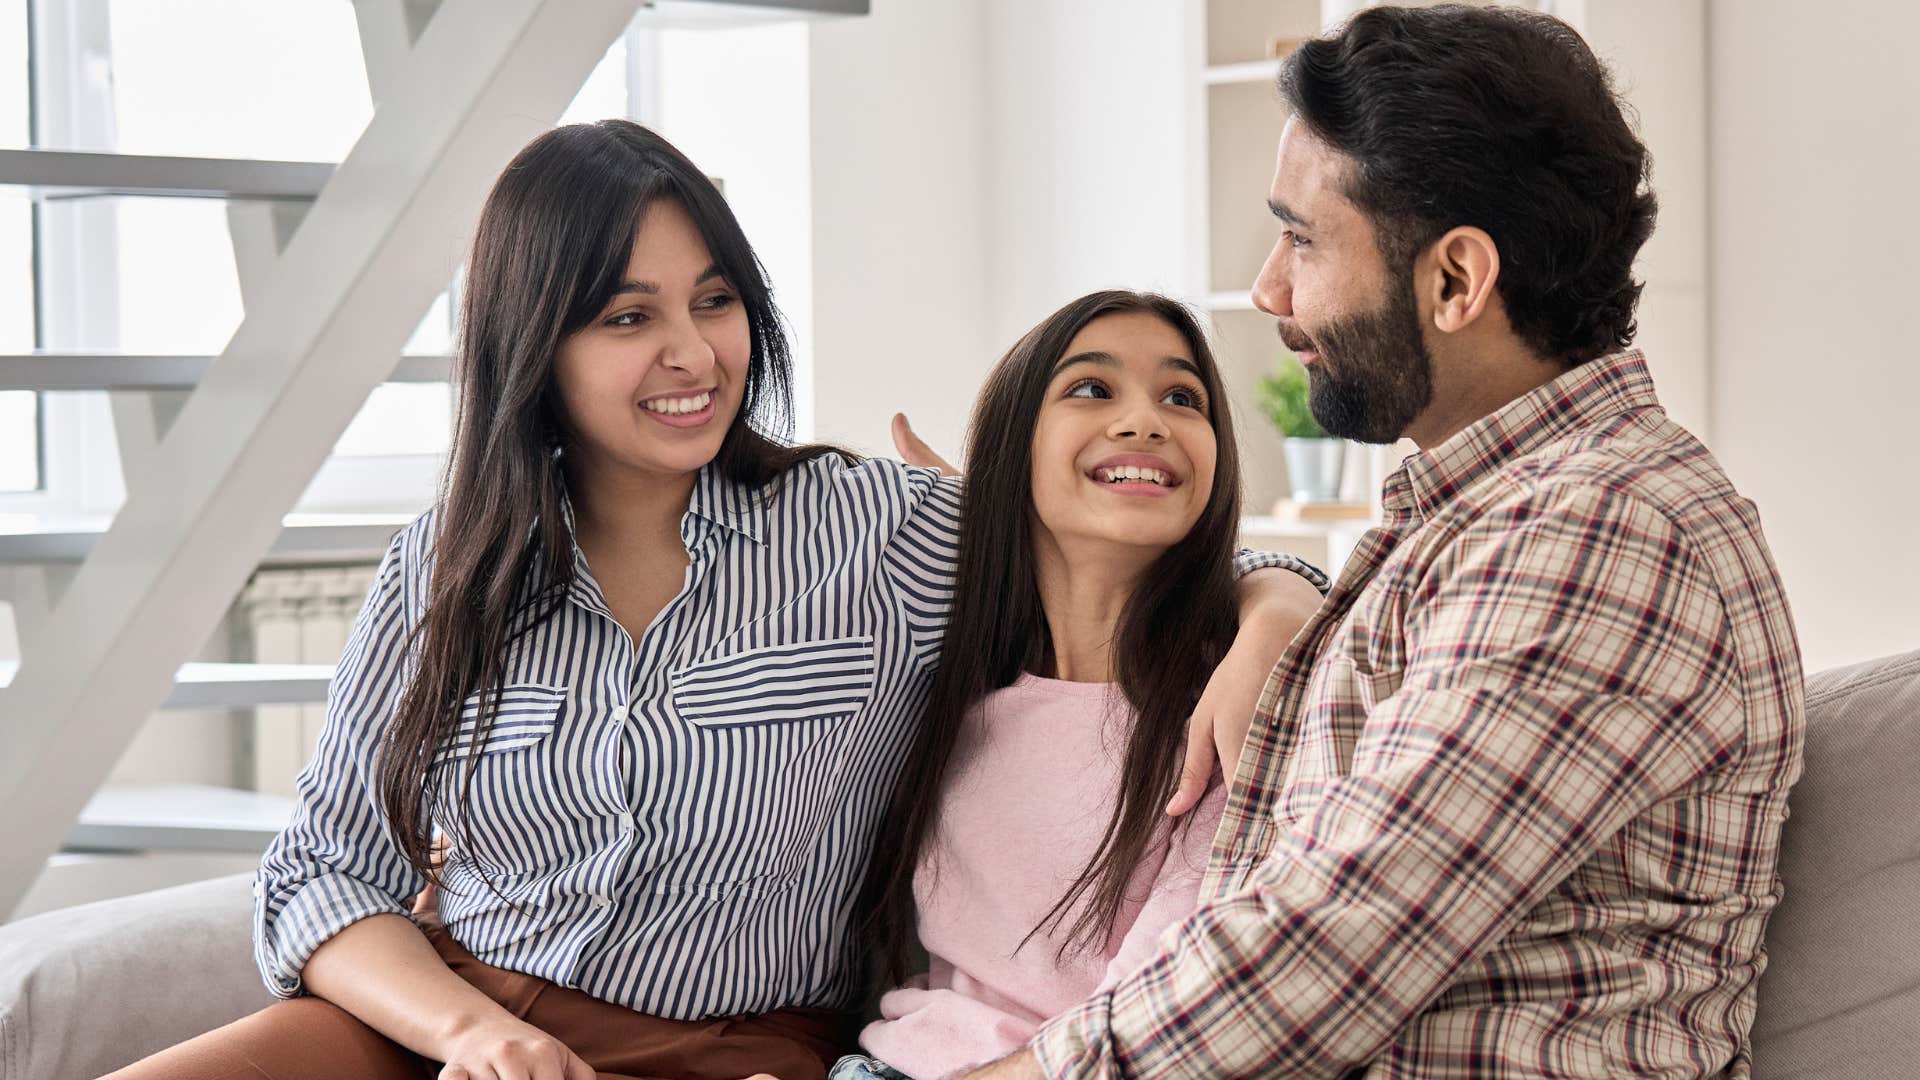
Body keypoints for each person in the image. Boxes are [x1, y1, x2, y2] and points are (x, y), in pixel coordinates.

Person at [107, 122, 1323, 1080]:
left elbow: (1137, 553)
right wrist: (467, 1034)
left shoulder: (877, 531)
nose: (692, 353)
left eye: (715, 302)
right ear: (536, 345)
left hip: (734, 1053)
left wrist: (1274, 611)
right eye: (629, 317)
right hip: (448, 1020)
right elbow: (324, 871)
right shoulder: (442, 568)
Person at [960, 7, 1806, 1079]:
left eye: (1303, 240)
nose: (1270, 291)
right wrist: (1261, 586)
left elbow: (1333, 938)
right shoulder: (1487, 519)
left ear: (1456, 281)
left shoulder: (1603, 528)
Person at [825, 292, 1329, 1080]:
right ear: (1010, 451)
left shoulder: (1231, 704)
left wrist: (1276, 610)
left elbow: (1169, 1006)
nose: (1145, 421)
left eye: (1181, 397)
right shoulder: (939, 681)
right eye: (1092, 389)